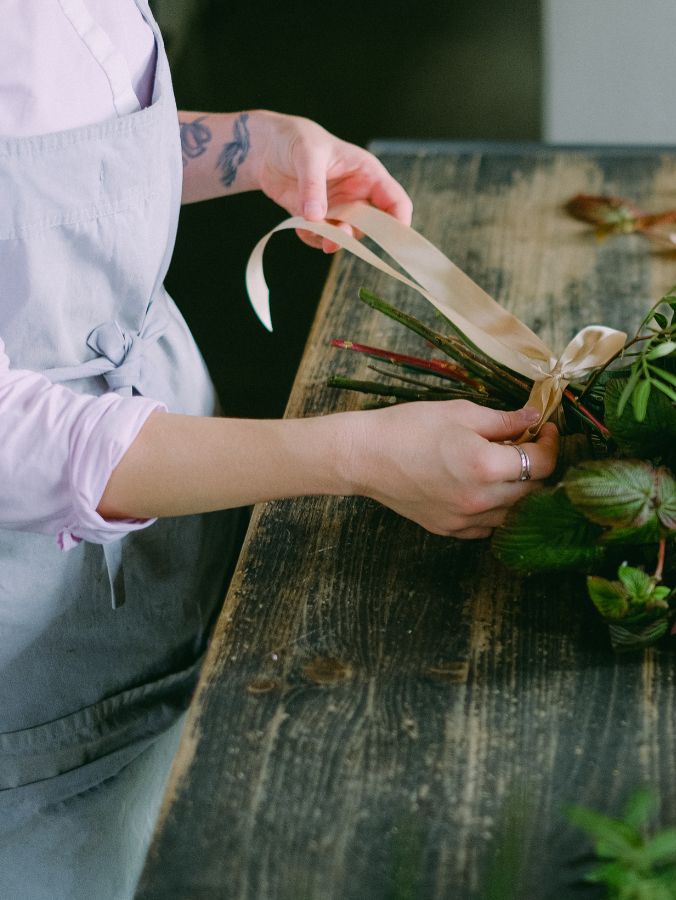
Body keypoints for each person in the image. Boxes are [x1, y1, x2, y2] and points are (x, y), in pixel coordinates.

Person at [0, 2, 559, 898]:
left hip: (169, 538)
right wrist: (355, 456)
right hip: (25, 654)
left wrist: (247, 144)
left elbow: (38, 170)